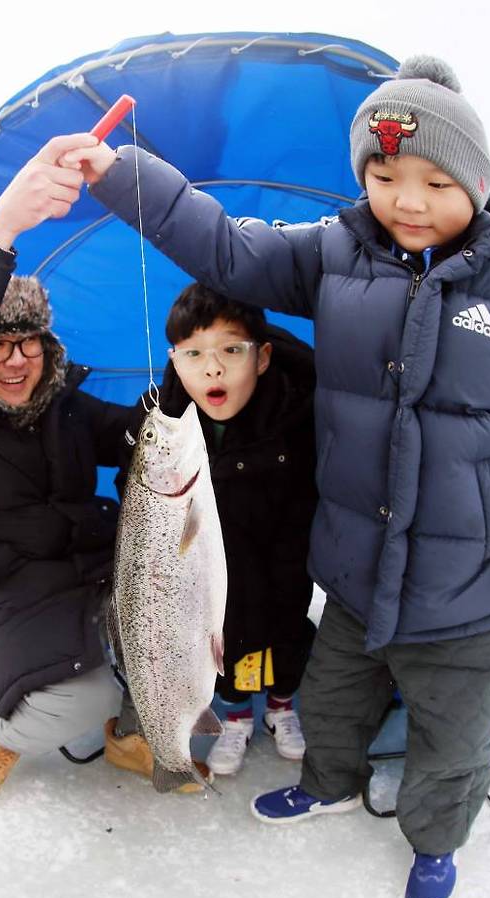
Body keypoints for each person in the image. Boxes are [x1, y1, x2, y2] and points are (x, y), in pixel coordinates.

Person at [74, 55, 490, 898]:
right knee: (329, 703)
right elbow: (227, 248)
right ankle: (325, 783)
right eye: (386, 174)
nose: (408, 200)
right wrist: (123, 173)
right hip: (357, 577)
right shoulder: (332, 256)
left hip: (471, 596)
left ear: (476, 180)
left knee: (455, 741)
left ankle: (436, 844)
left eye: (437, 181)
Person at [0, 136, 207, 800]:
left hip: (100, 575)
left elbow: (128, 434)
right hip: (14, 601)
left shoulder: (61, 402)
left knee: (179, 642)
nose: (13, 359)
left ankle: (131, 734)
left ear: (45, 343)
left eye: (25, 340)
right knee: (76, 700)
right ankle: (7, 736)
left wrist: (183, 388)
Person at [118, 283, 316, 775]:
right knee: (223, 648)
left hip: (287, 561)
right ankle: (234, 719)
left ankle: (281, 708)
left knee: (286, 643)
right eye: (193, 354)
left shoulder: (302, 409)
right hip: (208, 576)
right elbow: (138, 490)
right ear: (174, 359)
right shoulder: (162, 417)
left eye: (231, 350)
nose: (213, 368)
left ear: (263, 357)